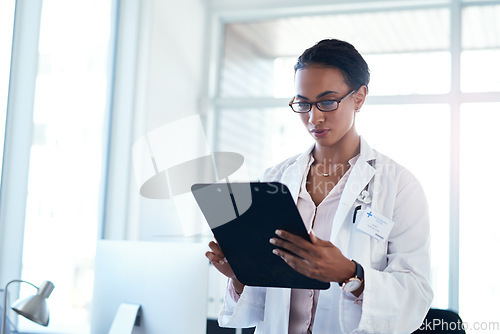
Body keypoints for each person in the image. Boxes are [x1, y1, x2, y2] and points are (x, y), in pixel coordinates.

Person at [206, 39, 433, 333]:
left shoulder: (399, 185)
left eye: (327, 101)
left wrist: (352, 276)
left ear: (359, 97)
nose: (314, 117)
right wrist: (239, 274)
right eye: (303, 103)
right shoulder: (275, 178)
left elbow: (416, 295)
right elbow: (265, 298)